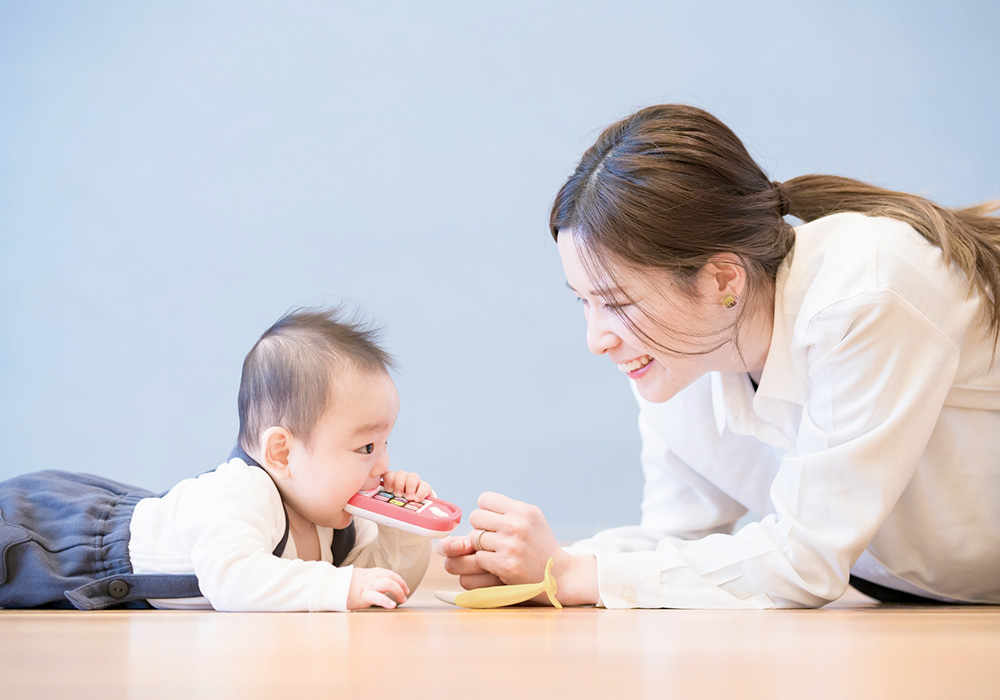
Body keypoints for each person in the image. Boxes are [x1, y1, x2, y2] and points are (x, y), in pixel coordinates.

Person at [441, 103, 1000, 609]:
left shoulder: (865, 292)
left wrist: (576, 575)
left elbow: (803, 563)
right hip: (924, 604)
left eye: (616, 303)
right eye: (584, 304)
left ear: (722, 279)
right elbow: (677, 541)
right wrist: (542, 568)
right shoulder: (682, 358)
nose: (597, 339)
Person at [0, 307, 432, 611]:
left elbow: (380, 587)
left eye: (386, 444)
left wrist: (404, 534)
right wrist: (339, 587)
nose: (382, 467)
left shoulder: (331, 512)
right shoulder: (241, 494)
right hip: (62, 542)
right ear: (282, 453)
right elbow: (234, 582)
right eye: (366, 448)